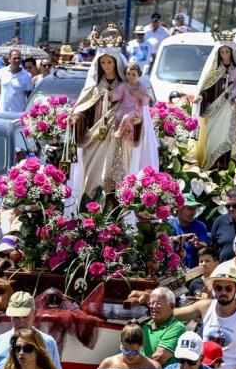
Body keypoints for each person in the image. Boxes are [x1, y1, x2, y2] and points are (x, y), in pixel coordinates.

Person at [71, 44, 158, 199]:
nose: (106, 66)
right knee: (92, 177)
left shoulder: (127, 85)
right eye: (102, 63)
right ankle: (90, 208)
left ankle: (116, 210)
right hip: (96, 136)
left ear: (116, 63)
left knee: (118, 179)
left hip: (121, 137)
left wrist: (137, 121)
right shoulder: (95, 86)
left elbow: (139, 109)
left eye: (109, 62)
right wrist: (77, 117)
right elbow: (84, 108)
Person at [192, 36, 236, 170]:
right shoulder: (213, 72)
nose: (224, 55)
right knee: (213, 141)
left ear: (232, 52)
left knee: (232, 141)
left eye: (227, 52)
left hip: (233, 113)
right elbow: (206, 90)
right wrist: (201, 97)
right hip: (215, 114)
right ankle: (212, 172)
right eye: (222, 52)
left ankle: (231, 173)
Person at [142, 288, 186, 367]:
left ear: (171, 306)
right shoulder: (145, 325)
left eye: (159, 303)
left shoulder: (177, 328)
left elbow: (159, 358)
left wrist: (134, 367)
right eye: (151, 303)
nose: (154, 307)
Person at [168, 194, 209, 269]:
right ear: (179, 209)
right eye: (190, 208)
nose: (193, 212)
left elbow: (207, 247)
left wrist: (199, 244)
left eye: (194, 209)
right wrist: (175, 239)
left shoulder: (199, 226)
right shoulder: (169, 224)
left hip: (194, 274)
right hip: (171, 274)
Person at [111, 63, 150, 140]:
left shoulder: (141, 87)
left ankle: (120, 131)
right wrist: (111, 95)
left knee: (126, 117)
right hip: (124, 108)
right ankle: (117, 130)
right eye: (128, 74)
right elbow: (117, 94)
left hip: (135, 110)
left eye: (133, 74)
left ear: (138, 75)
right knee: (118, 115)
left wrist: (139, 95)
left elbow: (146, 100)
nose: (131, 76)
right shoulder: (124, 85)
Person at [0, 48, 33, 113]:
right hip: (2, 112)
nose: (17, 60)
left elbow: (29, 97)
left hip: (18, 113)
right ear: (9, 59)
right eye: (14, 58)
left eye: (19, 58)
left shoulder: (27, 75)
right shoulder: (1, 72)